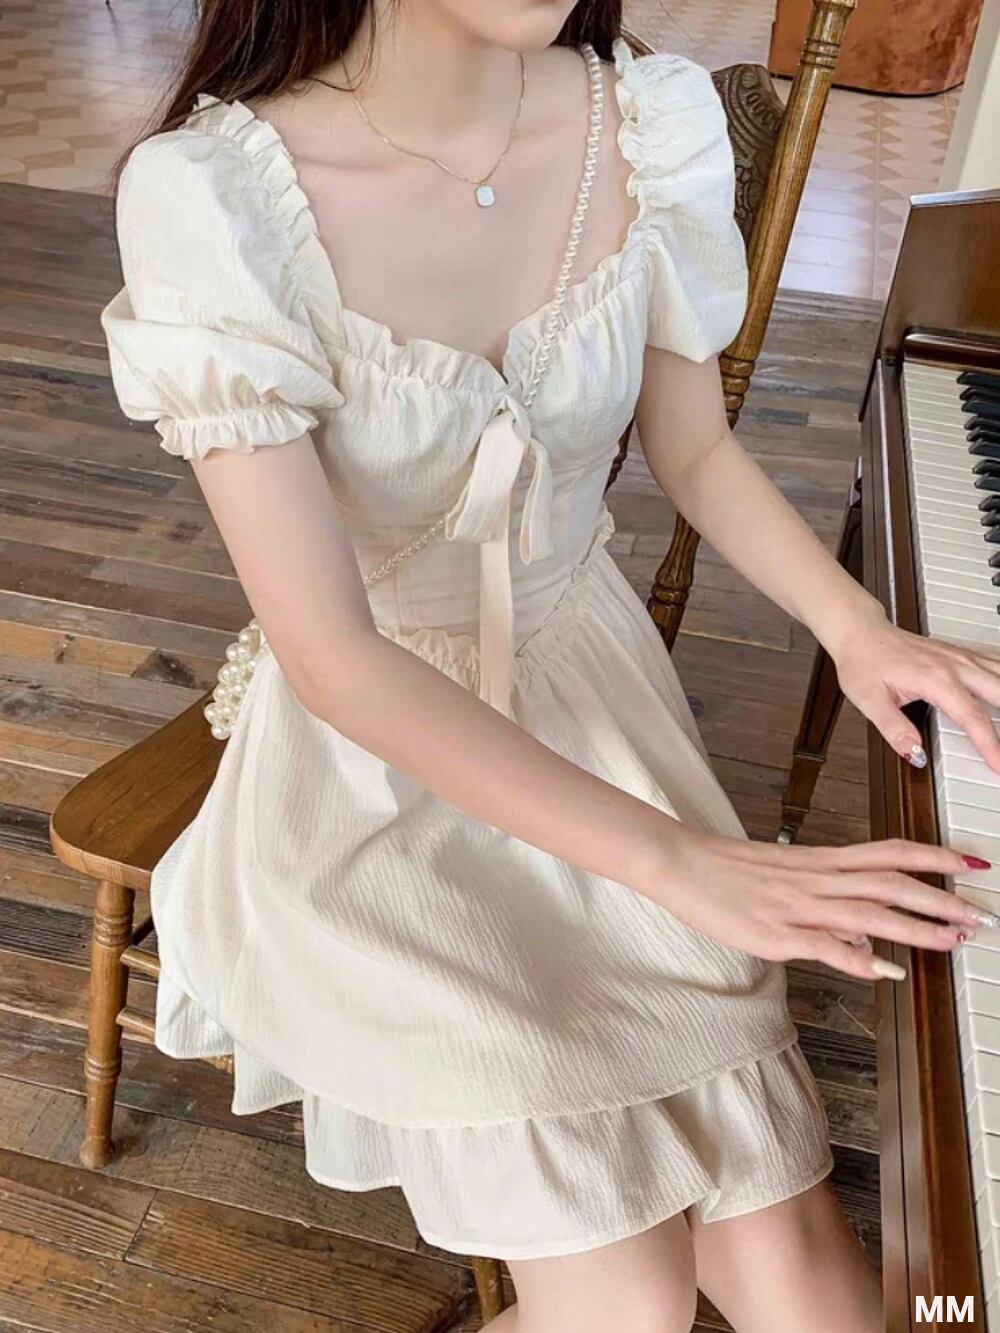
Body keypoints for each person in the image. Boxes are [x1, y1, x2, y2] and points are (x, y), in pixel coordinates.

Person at [99, 3, 1000, 1330]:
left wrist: (858, 626)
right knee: (627, 1302)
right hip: (372, 774)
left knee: (818, 1304)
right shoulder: (213, 197)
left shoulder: (646, 123)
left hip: (598, 708)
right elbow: (334, 657)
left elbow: (695, 449)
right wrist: (680, 863)